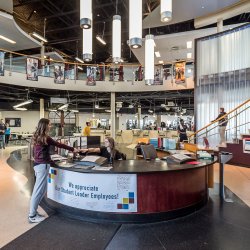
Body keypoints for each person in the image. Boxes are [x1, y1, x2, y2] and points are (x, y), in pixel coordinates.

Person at [29, 118, 78, 223]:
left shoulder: (37, 136)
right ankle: (32, 215)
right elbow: (59, 145)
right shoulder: (46, 138)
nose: (51, 126)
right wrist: (73, 149)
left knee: (41, 191)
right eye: (49, 125)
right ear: (45, 126)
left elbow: (40, 152)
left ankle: (34, 212)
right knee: (38, 191)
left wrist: (50, 161)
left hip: (38, 164)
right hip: (42, 166)